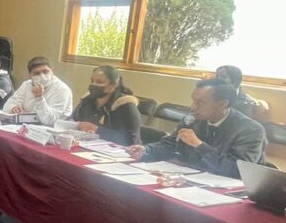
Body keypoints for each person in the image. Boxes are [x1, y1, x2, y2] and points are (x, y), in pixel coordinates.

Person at [128, 78, 267, 177]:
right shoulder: (193, 118)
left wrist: (199, 145)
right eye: (193, 101)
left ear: (222, 104)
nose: (193, 107)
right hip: (190, 180)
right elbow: (171, 143)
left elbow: (237, 170)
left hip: (228, 193)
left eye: (200, 103)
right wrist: (147, 149)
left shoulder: (250, 130)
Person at [71, 65, 142, 145]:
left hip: (115, 151)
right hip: (84, 145)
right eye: (92, 81)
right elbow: (72, 120)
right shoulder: (86, 100)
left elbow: (131, 140)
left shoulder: (127, 106)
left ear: (114, 85)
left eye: (99, 82)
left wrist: (97, 130)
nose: (94, 84)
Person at [3, 56, 73, 125]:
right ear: (30, 75)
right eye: (36, 73)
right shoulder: (26, 85)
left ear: (52, 70)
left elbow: (50, 120)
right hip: (26, 125)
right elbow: (7, 105)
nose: (42, 76)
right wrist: (13, 108)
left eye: (45, 71)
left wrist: (39, 98)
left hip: (52, 128)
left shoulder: (62, 89)